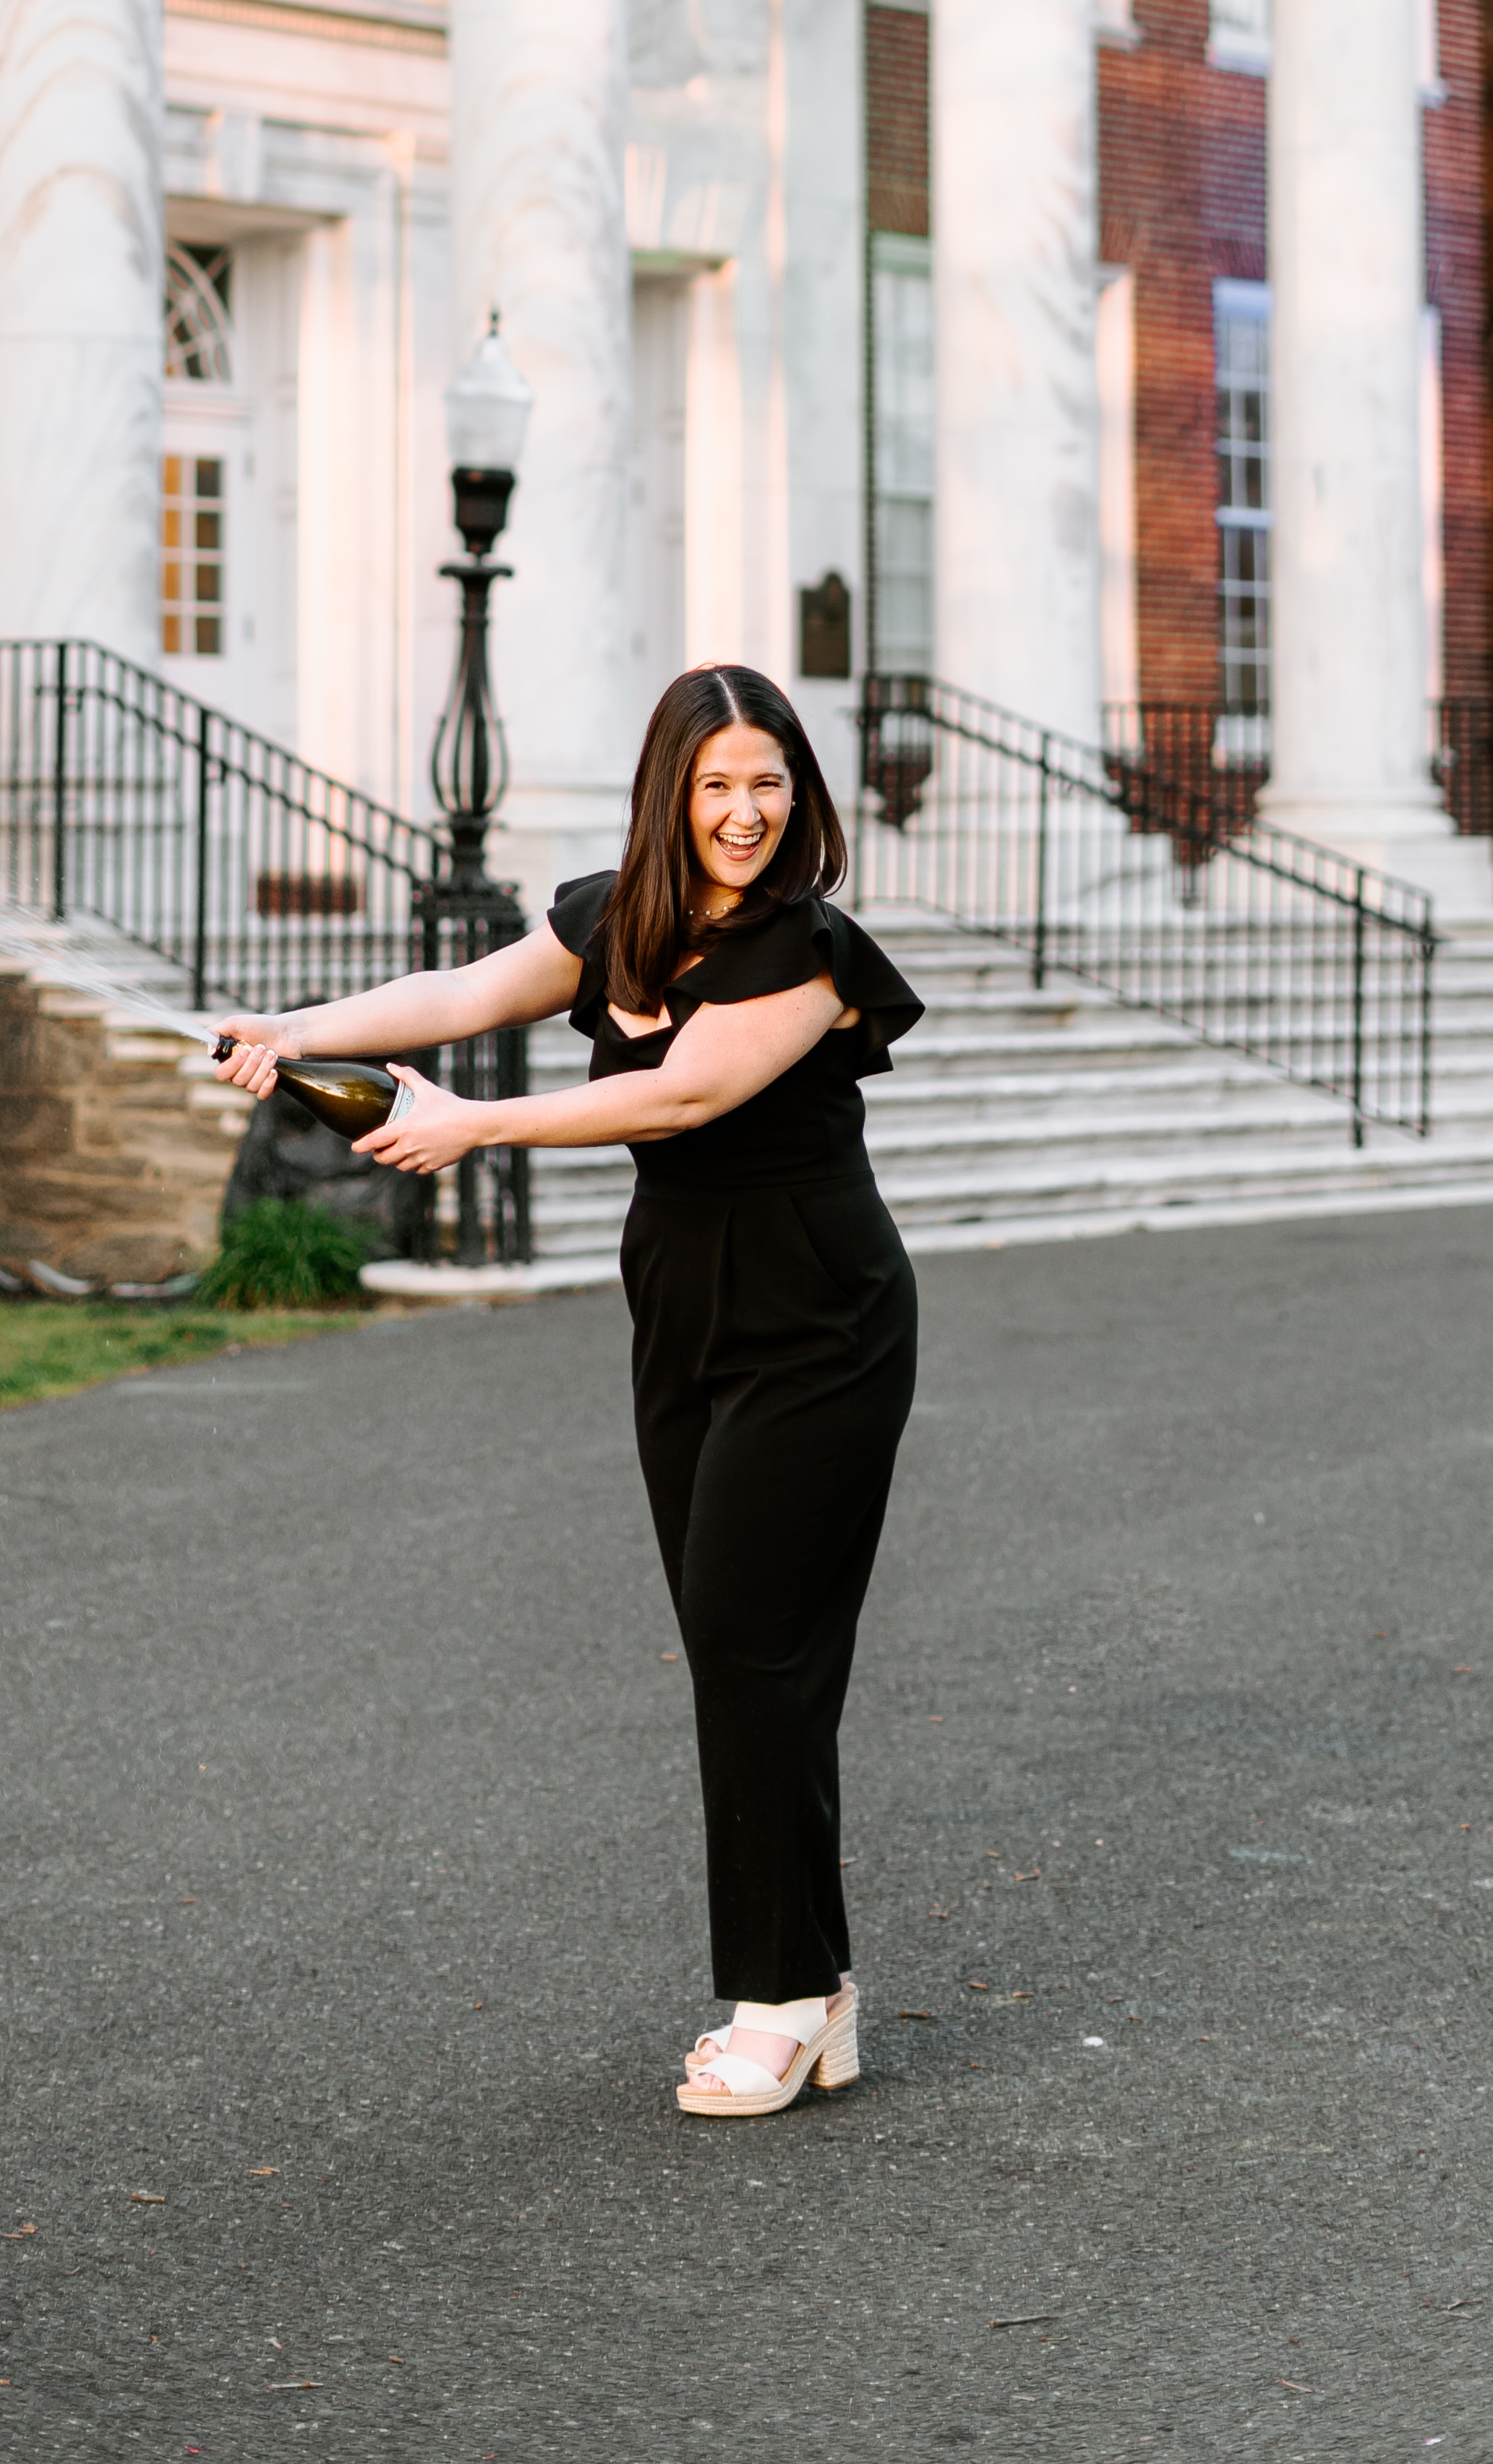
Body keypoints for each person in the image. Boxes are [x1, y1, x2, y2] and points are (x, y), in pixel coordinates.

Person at [211, 660, 923, 2121]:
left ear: (801, 800)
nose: (743, 813)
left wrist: (478, 1124)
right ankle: (819, 1988)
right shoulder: (617, 918)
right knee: (738, 1644)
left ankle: (778, 1999)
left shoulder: (804, 948)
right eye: (718, 784)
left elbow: (680, 1093)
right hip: (679, 1303)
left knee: (749, 1639)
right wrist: (295, 1033)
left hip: (815, 1314)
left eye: (767, 785)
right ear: (672, 789)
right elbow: (462, 988)